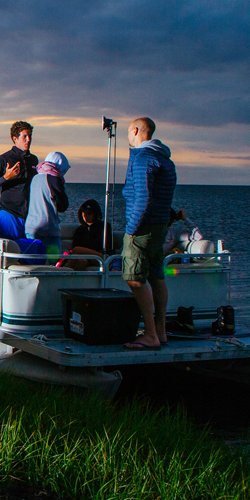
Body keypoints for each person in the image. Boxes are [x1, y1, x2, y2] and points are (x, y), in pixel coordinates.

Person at [120, 117, 177, 350]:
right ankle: (160, 330)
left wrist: (132, 229)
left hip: (142, 229)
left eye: (128, 132)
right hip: (160, 226)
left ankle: (150, 334)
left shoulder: (143, 157)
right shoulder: (165, 159)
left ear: (135, 130)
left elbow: (143, 197)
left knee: (134, 278)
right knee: (156, 276)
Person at [0, 121, 39, 240]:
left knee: (29, 253)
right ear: (15, 139)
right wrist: (6, 177)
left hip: (30, 214)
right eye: (24, 136)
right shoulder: (3, 159)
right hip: (10, 213)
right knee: (12, 251)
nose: (28, 139)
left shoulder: (33, 160)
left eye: (30, 136)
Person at [24, 151, 70, 252]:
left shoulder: (35, 178)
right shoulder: (54, 179)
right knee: (53, 264)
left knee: (34, 261)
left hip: (31, 227)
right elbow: (63, 206)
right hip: (48, 230)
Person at [60, 198, 114, 271]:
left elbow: (106, 245)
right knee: (81, 261)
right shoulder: (80, 230)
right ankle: (72, 280)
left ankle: (65, 274)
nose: (86, 216)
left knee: (77, 250)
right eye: (83, 213)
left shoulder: (104, 227)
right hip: (86, 257)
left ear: (95, 214)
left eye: (89, 213)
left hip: (102, 257)